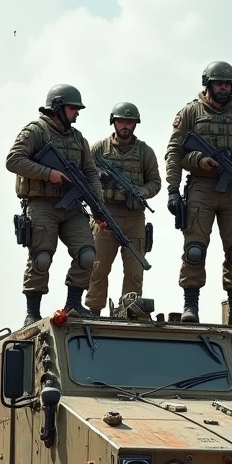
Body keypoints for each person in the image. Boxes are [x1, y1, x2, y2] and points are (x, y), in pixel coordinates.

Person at [165, 61, 232, 325]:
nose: (224, 88)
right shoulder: (190, 112)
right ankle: (191, 306)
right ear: (208, 84)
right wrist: (174, 189)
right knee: (194, 249)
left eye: (228, 84)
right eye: (220, 83)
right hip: (201, 188)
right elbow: (176, 152)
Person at [6, 84, 101, 325]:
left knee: (87, 254)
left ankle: (73, 303)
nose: (77, 113)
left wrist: (98, 204)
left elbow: (90, 173)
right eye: (73, 108)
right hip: (42, 204)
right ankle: (33, 312)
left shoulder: (78, 138)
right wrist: (48, 173)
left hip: (71, 207)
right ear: (58, 107)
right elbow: (14, 160)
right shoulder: (36, 131)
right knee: (41, 257)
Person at [85, 102, 161, 315]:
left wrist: (140, 192)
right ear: (114, 122)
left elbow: (155, 182)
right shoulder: (99, 149)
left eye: (129, 122)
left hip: (134, 217)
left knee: (135, 271)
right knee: (98, 267)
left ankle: (129, 311)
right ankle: (94, 311)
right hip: (105, 216)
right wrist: (101, 185)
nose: (125, 125)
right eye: (121, 121)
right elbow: (84, 179)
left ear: (135, 124)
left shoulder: (145, 152)